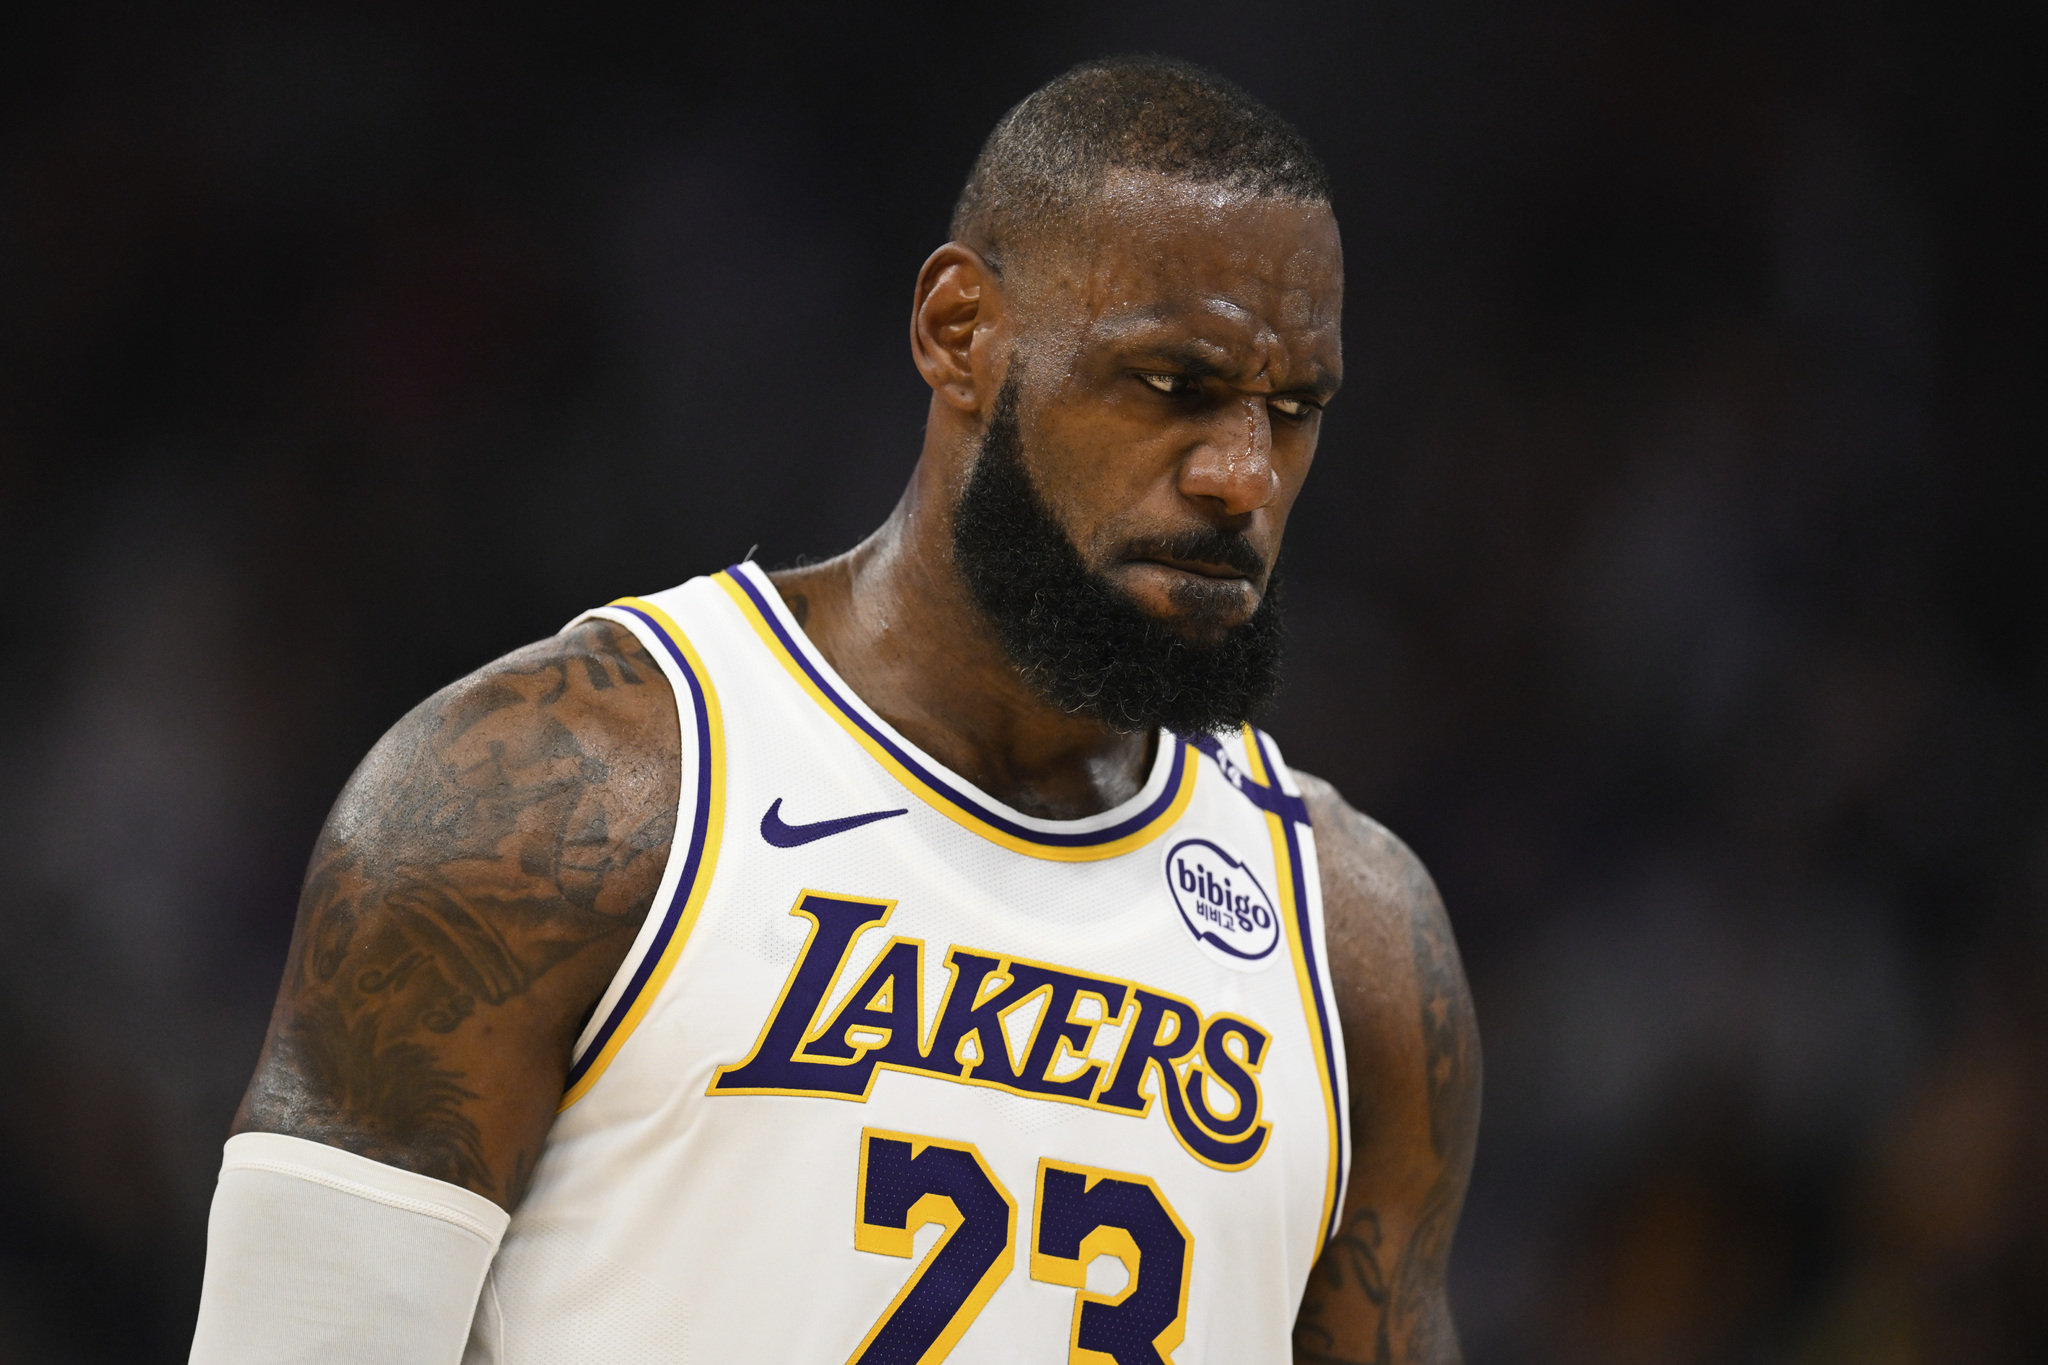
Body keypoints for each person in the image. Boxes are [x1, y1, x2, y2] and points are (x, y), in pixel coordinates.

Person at [190, 54, 1480, 1365]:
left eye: (1294, 408)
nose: (1241, 474)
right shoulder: (558, 795)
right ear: (959, 331)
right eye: (1173, 384)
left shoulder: (1358, 948)